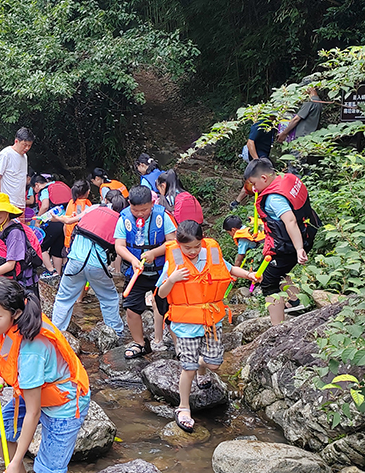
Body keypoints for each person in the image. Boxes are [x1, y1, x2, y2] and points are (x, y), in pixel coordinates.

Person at [0, 278, 90, 473]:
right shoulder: (9, 327)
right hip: (38, 392)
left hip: (64, 404)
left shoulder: (31, 349)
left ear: (16, 313)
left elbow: (33, 413)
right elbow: (7, 357)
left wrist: (16, 460)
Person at [157, 220, 257, 432]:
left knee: (214, 364)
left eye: (196, 246)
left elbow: (230, 269)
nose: (193, 251)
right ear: (179, 244)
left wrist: (249, 275)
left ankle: (201, 367)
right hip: (185, 324)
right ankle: (183, 408)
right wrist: (172, 279)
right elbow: (162, 294)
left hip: (211, 320)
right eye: (188, 248)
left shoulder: (211, 253)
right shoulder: (174, 261)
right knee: (188, 368)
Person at [246, 158, 319, 325]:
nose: (254, 189)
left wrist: (299, 248)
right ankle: (296, 302)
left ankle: (277, 329)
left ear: (264, 178)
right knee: (281, 272)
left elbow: (290, 221)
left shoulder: (274, 198)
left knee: (268, 282)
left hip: (290, 246)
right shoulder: (287, 179)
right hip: (307, 234)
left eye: (254, 184)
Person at [115, 185, 177, 357]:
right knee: (131, 308)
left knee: (168, 308)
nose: (140, 214)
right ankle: (140, 343)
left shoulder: (163, 216)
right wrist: (133, 260)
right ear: (129, 204)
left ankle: (179, 346)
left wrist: (154, 253)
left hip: (161, 272)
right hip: (136, 272)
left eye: (144, 210)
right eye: (135, 210)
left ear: (152, 204)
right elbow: (119, 245)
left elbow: (172, 242)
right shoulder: (124, 218)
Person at [50, 204, 124, 338]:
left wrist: (56, 217)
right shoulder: (120, 220)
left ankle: (56, 333)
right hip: (97, 266)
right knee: (109, 298)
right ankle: (116, 332)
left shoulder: (93, 209)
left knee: (63, 298)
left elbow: (69, 221)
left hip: (74, 261)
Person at [31, 175, 69, 277]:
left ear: (37, 185)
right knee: (57, 250)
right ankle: (58, 274)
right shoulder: (58, 185)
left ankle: (51, 271)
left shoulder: (44, 191)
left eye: (34, 189)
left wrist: (38, 220)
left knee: (40, 246)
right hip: (65, 222)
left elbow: (45, 206)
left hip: (53, 221)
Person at [0, 127, 34, 209]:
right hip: (8, 203)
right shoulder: (6, 154)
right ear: (16, 141)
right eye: (24, 145)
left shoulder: (24, 157)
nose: (27, 148)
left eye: (29, 146)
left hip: (21, 203)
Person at [63, 180, 92, 250]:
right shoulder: (88, 207)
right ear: (88, 192)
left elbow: (65, 226)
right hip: (81, 243)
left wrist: (67, 242)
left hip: (70, 241)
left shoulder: (71, 203)